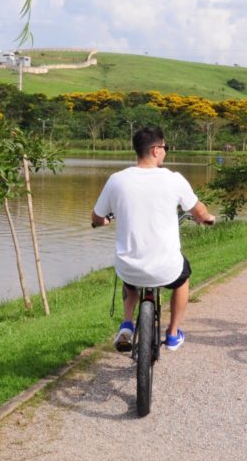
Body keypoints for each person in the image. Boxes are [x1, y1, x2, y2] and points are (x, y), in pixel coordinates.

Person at [92, 126, 216, 352]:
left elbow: (97, 217)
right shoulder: (173, 179)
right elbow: (199, 211)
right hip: (166, 267)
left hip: (129, 266)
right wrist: (207, 218)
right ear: (156, 149)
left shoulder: (116, 180)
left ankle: (127, 324)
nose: (166, 152)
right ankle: (172, 334)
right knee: (183, 278)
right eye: (165, 147)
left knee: (130, 282)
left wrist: (104, 221)